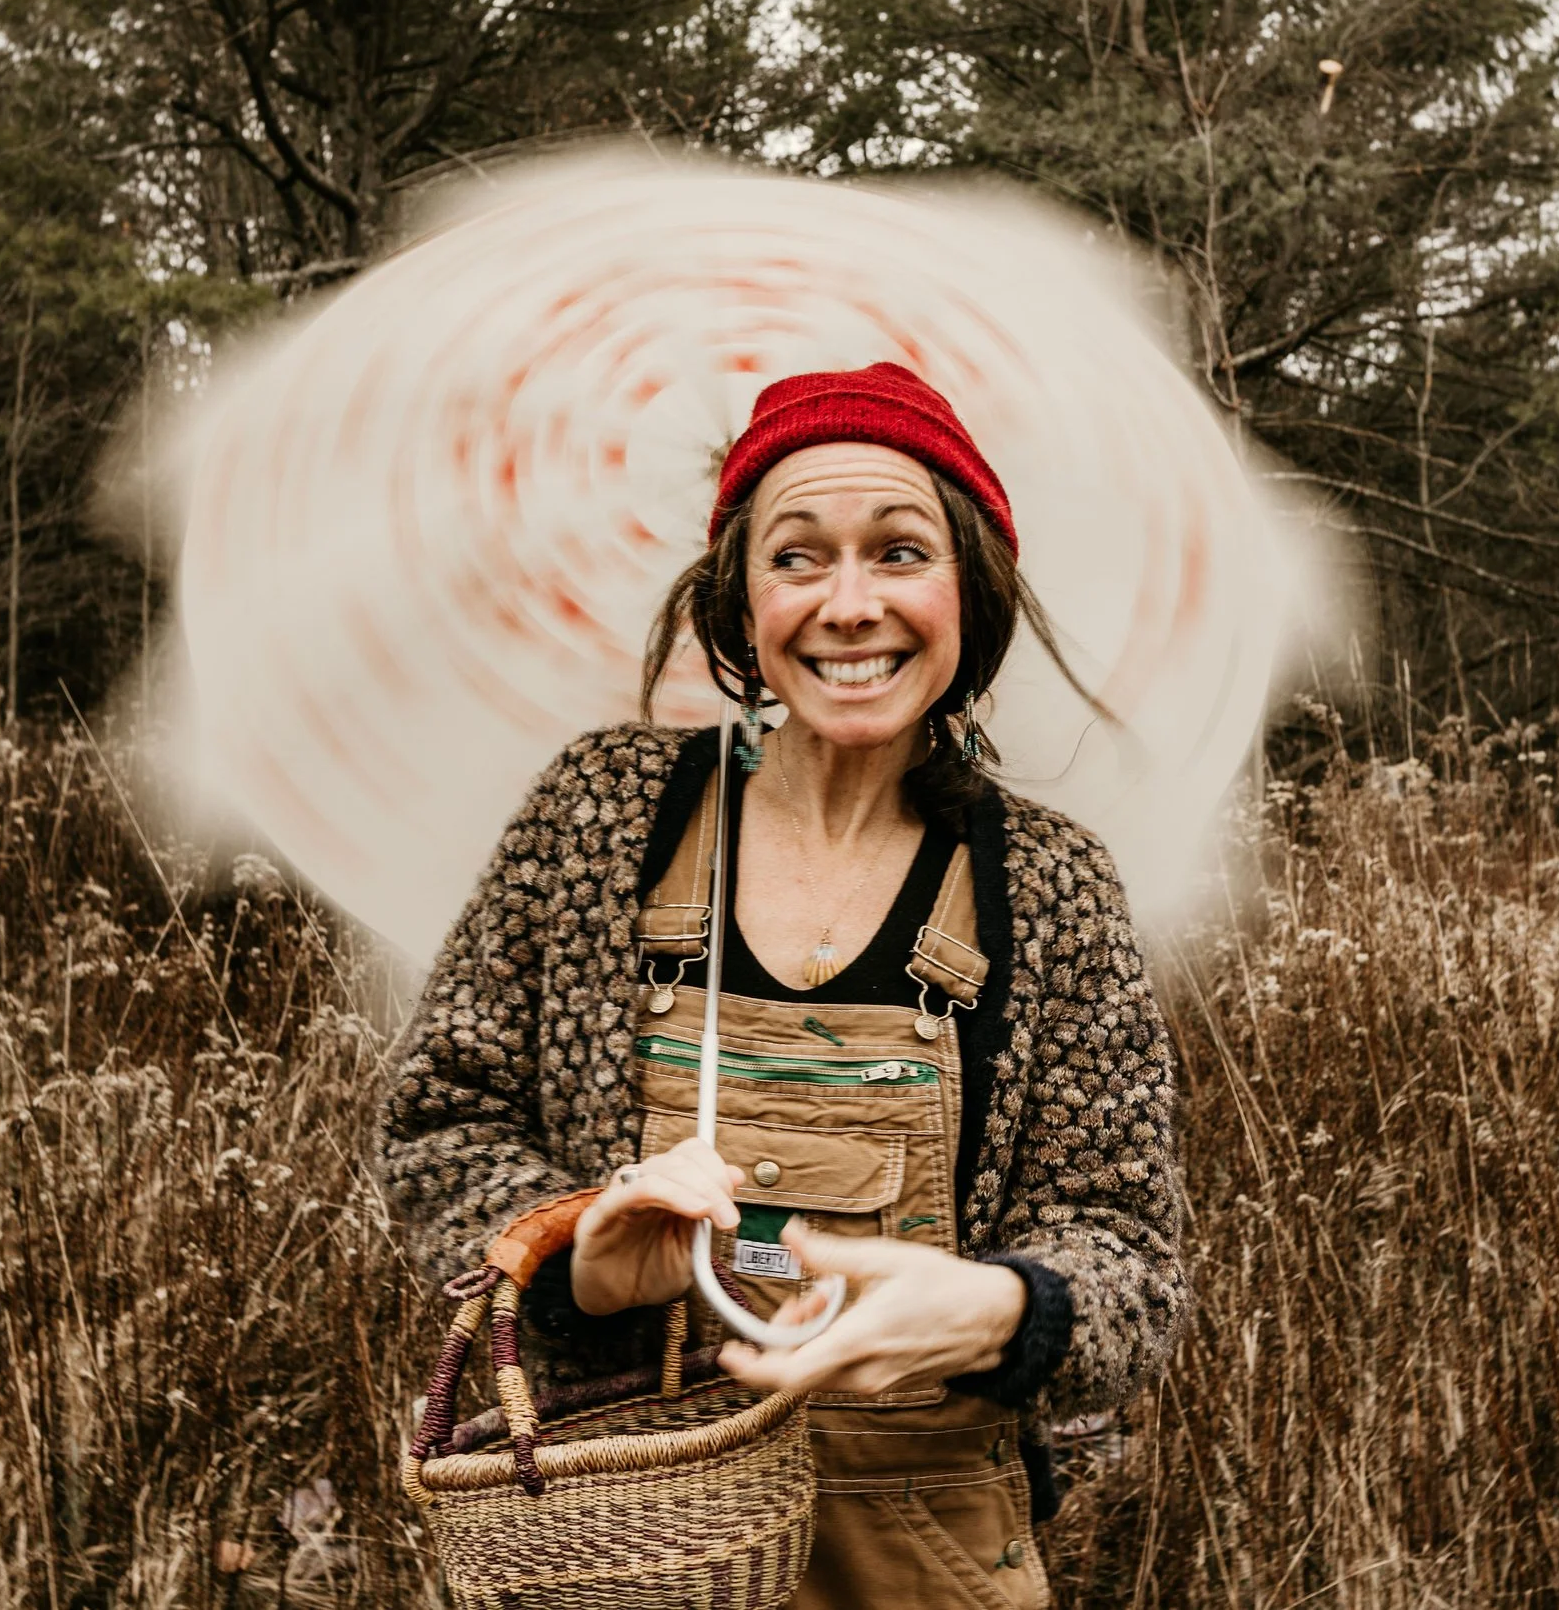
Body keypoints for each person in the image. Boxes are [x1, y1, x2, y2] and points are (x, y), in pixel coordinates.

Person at [382, 362, 1183, 1607]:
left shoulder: (1052, 882)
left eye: (899, 550)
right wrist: (582, 1260)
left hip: (933, 1559)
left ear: (968, 584)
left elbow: (1128, 1253)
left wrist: (994, 1307)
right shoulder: (600, 811)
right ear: (737, 599)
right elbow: (441, 1120)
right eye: (797, 556)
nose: (849, 604)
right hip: (619, 1545)